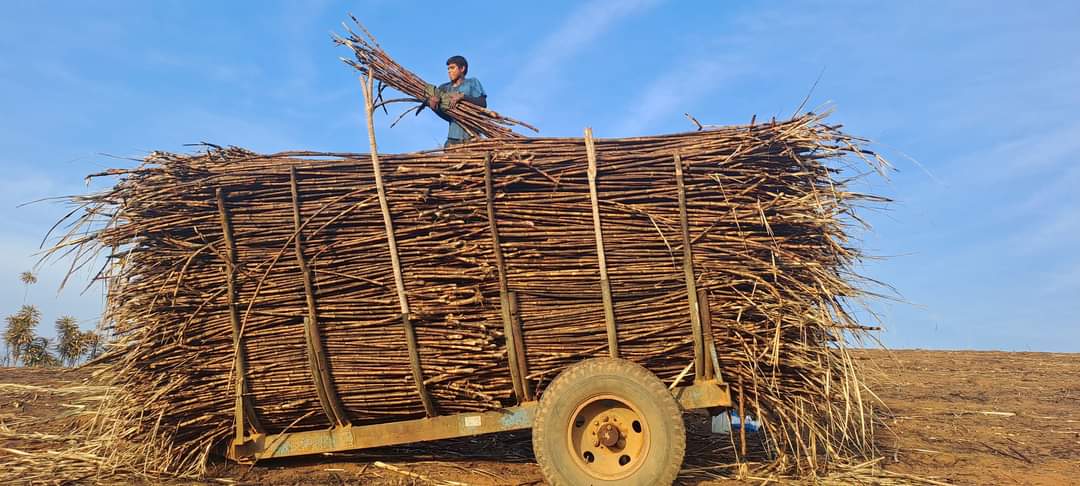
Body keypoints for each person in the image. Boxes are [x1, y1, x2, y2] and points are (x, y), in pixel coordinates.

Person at [426, 55, 486, 147]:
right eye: (448, 69)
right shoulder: (444, 88)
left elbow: (483, 103)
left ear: (462, 68)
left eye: (452, 68)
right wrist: (434, 107)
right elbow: (448, 116)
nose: (449, 71)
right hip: (452, 140)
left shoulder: (472, 82)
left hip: (472, 137)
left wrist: (463, 96)